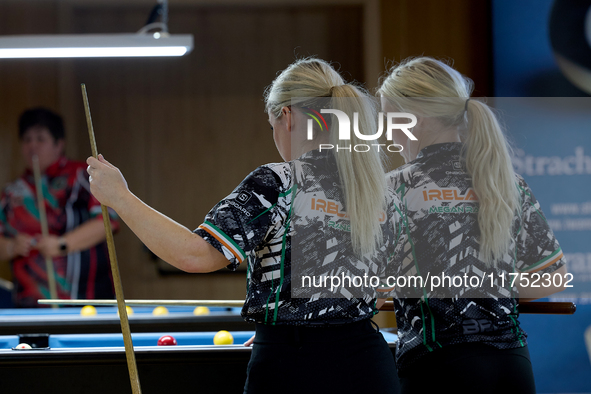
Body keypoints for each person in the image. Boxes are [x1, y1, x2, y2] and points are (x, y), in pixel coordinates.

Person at [86, 58, 404, 393]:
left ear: (288, 117)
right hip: (369, 364)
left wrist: (120, 197)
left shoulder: (277, 182)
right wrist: (289, 322)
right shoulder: (378, 190)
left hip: (293, 371)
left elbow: (197, 255)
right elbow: (386, 288)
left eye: (272, 126)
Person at [378, 57, 568, 394]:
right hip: (512, 365)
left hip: (436, 368)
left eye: (390, 120)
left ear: (415, 119)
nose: (388, 134)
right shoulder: (506, 182)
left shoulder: (394, 188)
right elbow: (552, 276)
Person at [0, 108, 117, 307]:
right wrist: (12, 247)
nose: (32, 146)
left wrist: (62, 244)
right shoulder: (11, 193)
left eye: (40, 139)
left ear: (59, 144)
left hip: (86, 304)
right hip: (28, 308)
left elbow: (108, 222)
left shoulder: (83, 177)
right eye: (27, 139)